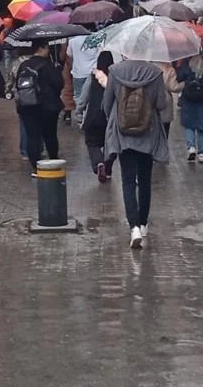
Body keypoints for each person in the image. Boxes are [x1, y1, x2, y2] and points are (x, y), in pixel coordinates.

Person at [102, 59, 172, 249]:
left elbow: (106, 104)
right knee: (145, 180)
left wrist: (117, 120)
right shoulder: (154, 73)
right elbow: (161, 104)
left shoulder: (115, 72)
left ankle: (133, 227)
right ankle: (143, 222)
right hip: (148, 134)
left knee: (127, 181)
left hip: (124, 136)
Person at [14, 41, 65, 176]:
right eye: (47, 47)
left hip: (28, 106)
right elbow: (59, 84)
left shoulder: (24, 65)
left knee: (32, 136)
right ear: (41, 48)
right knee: (50, 135)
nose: (48, 50)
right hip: (48, 107)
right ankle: (53, 161)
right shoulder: (48, 65)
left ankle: (35, 167)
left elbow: (17, 83)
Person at [80, 51, 117, 181]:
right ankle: (108, 167)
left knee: (92, 142)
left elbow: (84, 97)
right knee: (112, 144)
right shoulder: (116, 77)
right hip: (111, 117)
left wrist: (79, 110)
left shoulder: (93, 76)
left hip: (94, 116)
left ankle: (98, 163)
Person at [176, 53, 203, 162]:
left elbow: (179, 77)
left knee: (189, 124)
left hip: (189, 98)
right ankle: (201, 153)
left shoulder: (185, 63)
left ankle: (191, 147)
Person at [61, 29, 101, 127]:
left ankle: (80, 117)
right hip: (92, 72)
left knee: (78, 95)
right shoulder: (96, 39)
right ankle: (87, 115)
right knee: (91, 95)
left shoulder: (73, 41)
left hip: (78, 73)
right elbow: (99, 54)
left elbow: (69, 56)